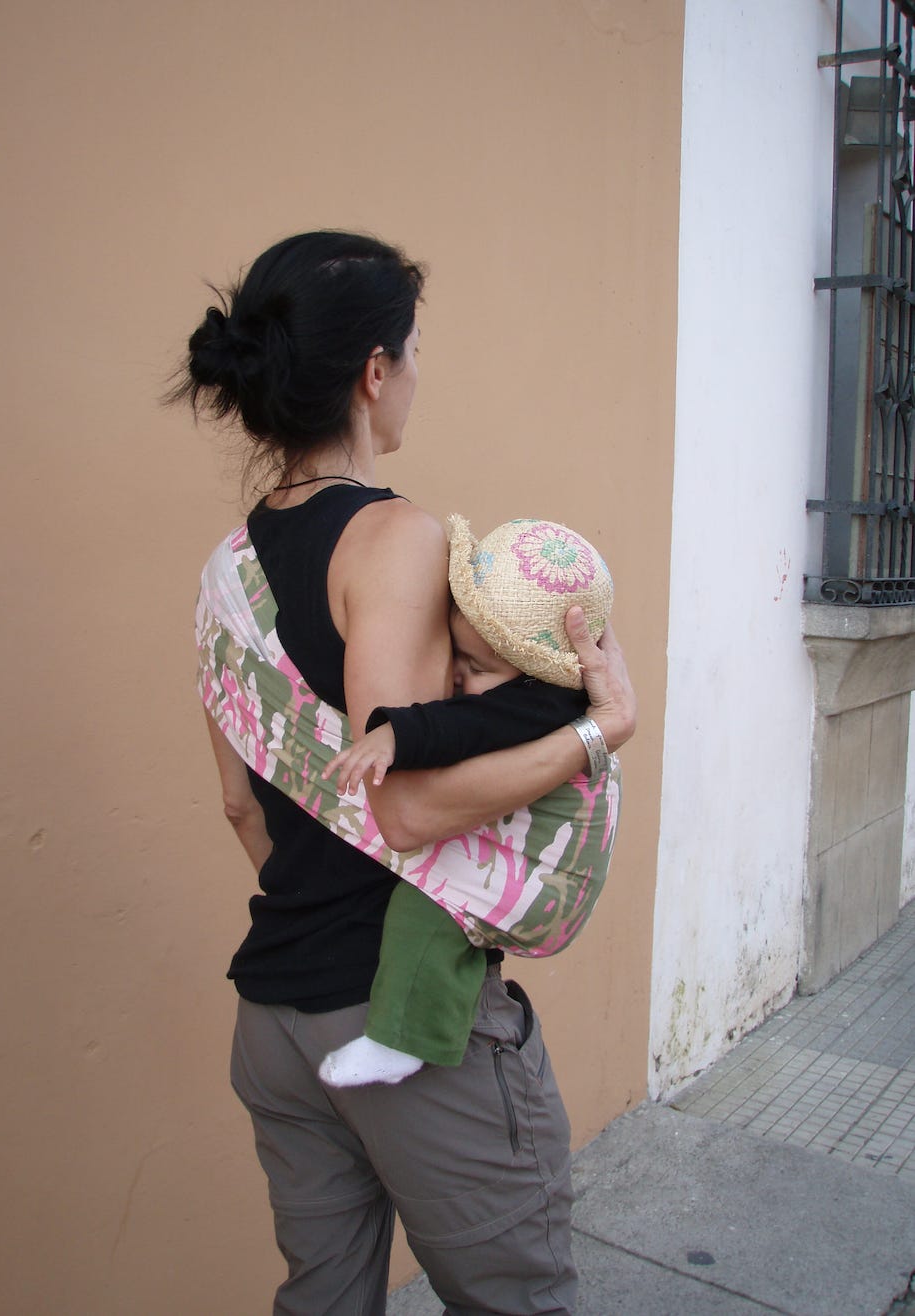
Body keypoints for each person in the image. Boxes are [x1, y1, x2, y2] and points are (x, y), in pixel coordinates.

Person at [174, 230, 637, 1316]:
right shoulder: (396, 539)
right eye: (414, 349)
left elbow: (241, 801)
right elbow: (409, 803)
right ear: (374, 371)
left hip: (276, 1024)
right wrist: (599, 729)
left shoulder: (225, 573)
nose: (418, 374)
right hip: (400, 1023)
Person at [319, 515, 620, 1088]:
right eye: (456, 655)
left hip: (540, 871)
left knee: (429, 911)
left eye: (478, 667)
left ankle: (404, 1039)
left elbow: (473, 726)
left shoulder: (542, 704)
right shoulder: (537, 691)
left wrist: (396, 734)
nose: (456, 678)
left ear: (534, 674)